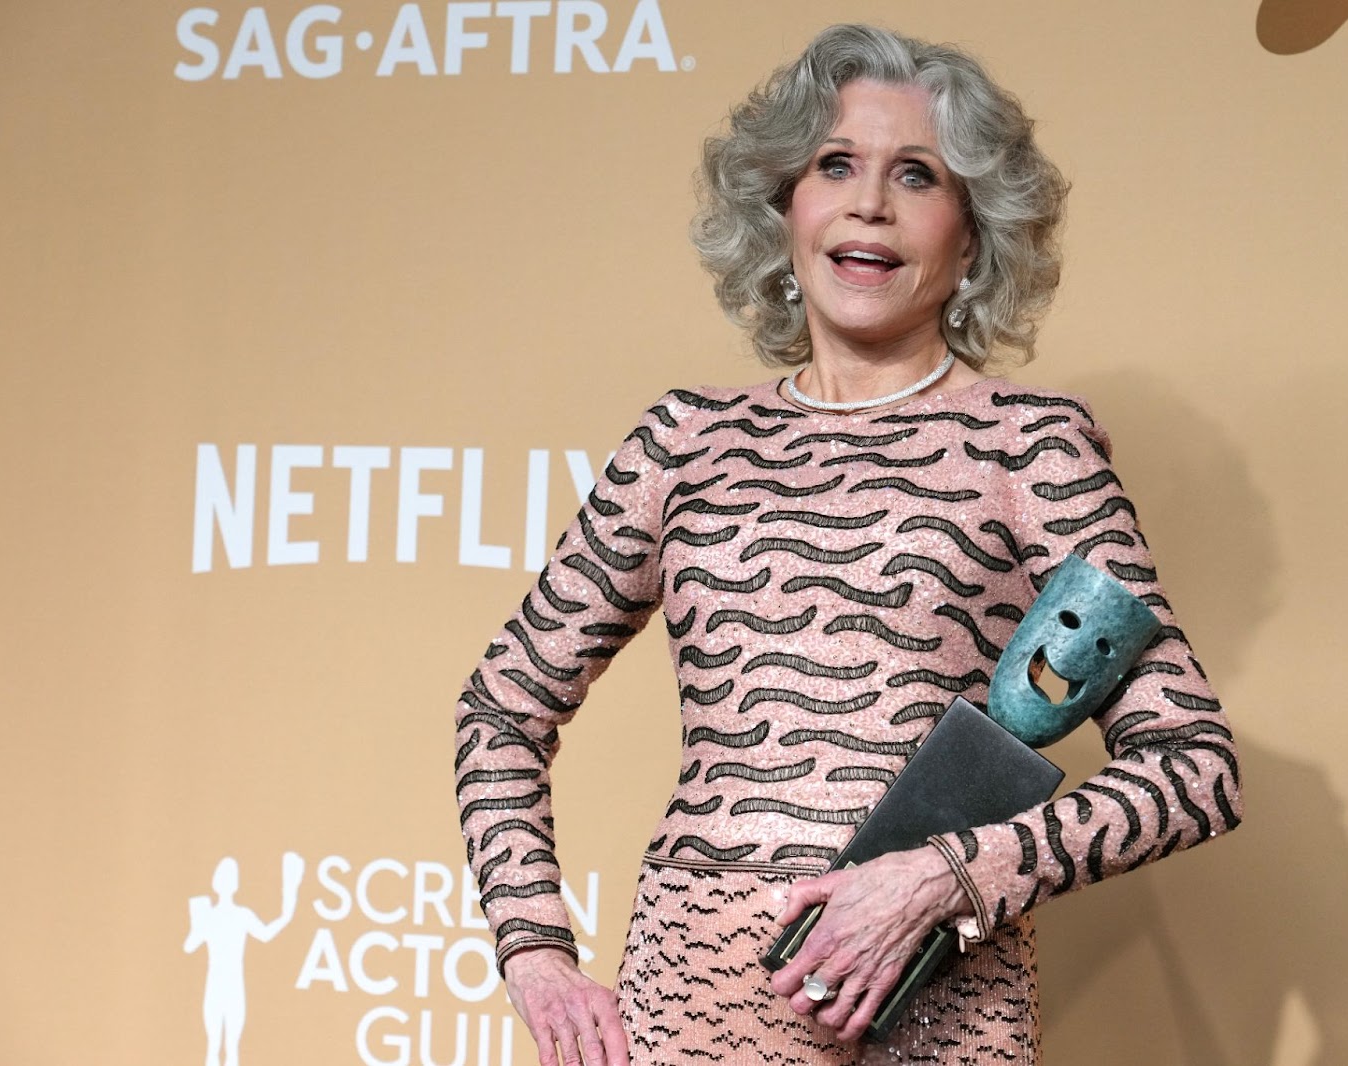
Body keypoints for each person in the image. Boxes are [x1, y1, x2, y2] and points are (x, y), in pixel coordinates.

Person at [452, 24, 1243, 1066]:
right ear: (783, 205)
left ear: (970, 234)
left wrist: (945, 875)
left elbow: (1196, 770)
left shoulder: (1029, 443)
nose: (869, 202)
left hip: (941, 996)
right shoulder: (684, 441)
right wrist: (534, 952)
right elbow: (500, 707)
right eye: (835, 166)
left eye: (915, 174)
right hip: (697, 997)